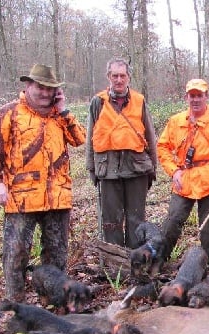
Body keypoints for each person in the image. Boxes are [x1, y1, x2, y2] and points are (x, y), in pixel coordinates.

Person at [0, 64, 86, 302]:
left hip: (57, 198)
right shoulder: (9, 113)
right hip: (21, 197)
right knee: (16, 252)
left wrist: (63, 110)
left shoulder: (59, 116)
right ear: (28, 86)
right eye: (40, 87)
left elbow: (79, 138)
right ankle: (15, 304)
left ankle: (52, 301)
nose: (45, 93)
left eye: (50, 89)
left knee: (57, 254)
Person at [157, 79, 209, 265]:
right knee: (172, 223)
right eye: (192, 96)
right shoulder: (176, 122)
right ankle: (159, 260)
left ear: (207, 97)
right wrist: (174, 171)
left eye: (200, 95)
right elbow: (162, 148)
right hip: (183, 180)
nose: (196, 100)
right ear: (186, 97)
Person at [85, 57, 157, 248]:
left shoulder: (139, 101)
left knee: (136, 219)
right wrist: (92, 169)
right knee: (111, 221)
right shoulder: (97, 102)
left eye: (122, 76)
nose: (118, 80)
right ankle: (114, 261)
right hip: (108, 170)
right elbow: (90, 138)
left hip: (136, 168)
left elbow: (150, 137)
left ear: (128, 78)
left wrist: (153, 168)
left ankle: (135, 259)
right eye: (115, 76)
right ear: (108, 76)